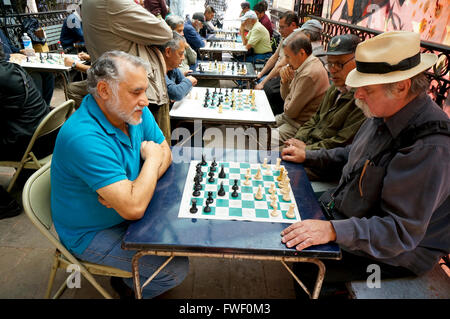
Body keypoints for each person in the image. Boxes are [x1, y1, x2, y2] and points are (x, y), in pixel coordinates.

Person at [280, 31, 450, 298]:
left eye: (367, 88)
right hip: (347, 210)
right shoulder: (384, 111)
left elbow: (400, 232)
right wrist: (310, 156)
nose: (357, 94)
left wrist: (333, 230)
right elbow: (353, 155)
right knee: (286, 204)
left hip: (395, 254)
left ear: (402, 86)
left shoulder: (430, 146)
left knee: (305, 262)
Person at [51, 51, 189, 299]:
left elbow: (165, 151)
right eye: (136, 92)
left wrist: (135, 188)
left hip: (124, 216)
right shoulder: (84, 137)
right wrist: (150, 165)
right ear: (104, 90)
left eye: (145, 90)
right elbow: (135, 206)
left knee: (184, 236)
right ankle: (125, 287)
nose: (145, 101)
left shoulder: (133, 111)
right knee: (174, 269)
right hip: (91, 232)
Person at [82, 0, 173, 142]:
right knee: (151, 151)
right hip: (137, 93)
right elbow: (165, 32)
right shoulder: (113, 4)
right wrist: (141, 8)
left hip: (119, 91)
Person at [282, 34, 365, 181]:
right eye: (330, 63)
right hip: (310, 150)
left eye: (339, 64)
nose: (332, 70)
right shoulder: (335, 88)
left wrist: (305, 149)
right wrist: (298, 139)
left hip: (324, 165)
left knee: (275, 168)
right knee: (269, 158)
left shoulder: (362, 99)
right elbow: (315, 118)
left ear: (358, 61)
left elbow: (340, 142)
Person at [0, 42, 56, 219]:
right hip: (45, 137)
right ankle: (23, 176)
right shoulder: (13, 69)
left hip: (30, 144)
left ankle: (5, 204)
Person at [273, 32, 329, 146]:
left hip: (297, 125)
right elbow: (286, 99)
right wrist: (284, 81)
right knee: (255, 128)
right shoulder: (301, 65)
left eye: (288, 57)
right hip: (288, 118)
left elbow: (291, 111)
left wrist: (288, 100)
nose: (286, 61)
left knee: (259, 138)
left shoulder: (308, 73)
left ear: (301, 53)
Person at [255, 11, 299, 115]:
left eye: (282, 27)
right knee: (257, 80)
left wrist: (263, 82)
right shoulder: (285, 38)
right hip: (275, 73)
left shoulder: (295, 40)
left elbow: (280, 66)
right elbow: (274, 57)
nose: (280, 30)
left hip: (284, 76)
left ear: (293, 25)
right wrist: (261, 74)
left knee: (265, 89)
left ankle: (267, 118)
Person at [0, 29, 55, 106]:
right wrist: (9, 56)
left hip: (16, 61)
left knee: (48, 73)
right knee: (35, 76)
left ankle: (46, 105)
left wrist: (21, 51)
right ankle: (37, 106)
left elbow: (10, 47)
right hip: (5, 66)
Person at [161, 32, 197, 102]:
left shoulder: (173, 67)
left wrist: (183, 88)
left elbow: (186, 88)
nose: (183, 58)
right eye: (180, 54)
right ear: (168, 52)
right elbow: (177, 93)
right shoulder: (158, 70)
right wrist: (188, 81)